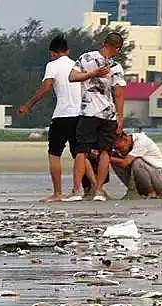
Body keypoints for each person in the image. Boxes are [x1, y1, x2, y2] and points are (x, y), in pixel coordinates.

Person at [17, 35, 95, 202]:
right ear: (68, 51)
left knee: (54, 155)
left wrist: (28, 105)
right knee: (80, 154)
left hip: (61, 116)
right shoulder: (78, 65)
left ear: (52, 53)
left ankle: (58, 193)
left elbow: (45, 88)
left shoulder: (52, 66)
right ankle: (96, 188)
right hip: (80, 116)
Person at [66, 32, 127, 202]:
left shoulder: (86, 58)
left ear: (103, 43)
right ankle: (99, 190)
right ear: (116, 48)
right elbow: (119, 93)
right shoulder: (115, 66)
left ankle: (78, 189)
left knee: (81, 150)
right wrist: (120, 117)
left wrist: (89, 74)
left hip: (89, 112)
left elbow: (72, 77)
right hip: (108, 113)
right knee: (104, 151)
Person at [109, 130, 162, 197]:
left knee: (137, 162)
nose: (117, 150)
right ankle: (133, 189)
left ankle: (152, 192)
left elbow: (125, 163)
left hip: (159, 179)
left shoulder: (141, 141)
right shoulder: (126, 145)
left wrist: (106, 158)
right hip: (141, 182)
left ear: (125, 140)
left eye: (117, 147)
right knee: (115, 162)